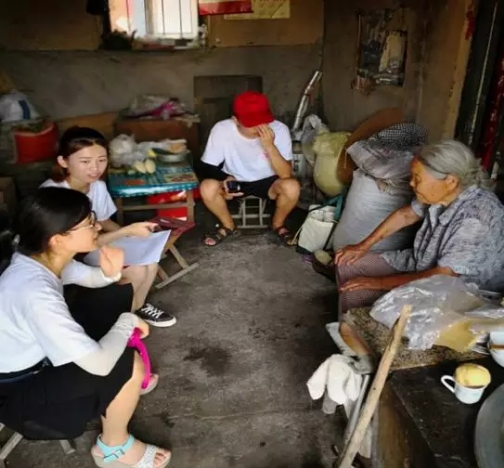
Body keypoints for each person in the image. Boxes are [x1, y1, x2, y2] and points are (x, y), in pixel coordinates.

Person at [0, 187, 171, 468]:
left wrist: (111, 273)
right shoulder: (35, 293)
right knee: (126, 364)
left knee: (113, 295)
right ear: (57, 239)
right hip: (19, 389)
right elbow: (99, 364)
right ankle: (112, 448)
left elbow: (90, 277)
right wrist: (127, 321)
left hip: (39, 357)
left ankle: (120, 393)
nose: (97, 227)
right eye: (89, 223)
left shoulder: (38, 258)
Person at [335, 140, 504, 317]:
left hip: (458, 293)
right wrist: (362, 246)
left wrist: (377, 283)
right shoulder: (442, 194)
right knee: (346, 264)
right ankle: (348, 324)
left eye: (417, 178)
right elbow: (406, 215)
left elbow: (442, 277)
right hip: (421, 263)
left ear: (451, 181)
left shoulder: (475, 220)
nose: (411, 184)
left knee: (355, 293)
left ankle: (356, 329)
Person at [41, 126, 176, 328]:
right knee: (137, 270)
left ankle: (136, 309)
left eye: (101, 160)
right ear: (63, 161)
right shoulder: (53, 194)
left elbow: (103, 221)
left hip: (90, 243)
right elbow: (76, 245)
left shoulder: (97, 186)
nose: (95, 168)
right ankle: (123, 322)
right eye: (85, 161)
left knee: (151, 259)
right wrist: (126, 231)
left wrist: (137, 237)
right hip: (70, 255)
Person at [199, 91, 300, 247]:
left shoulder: (279, 129)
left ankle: (278, 225)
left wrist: (269, 146)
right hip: (235, 180)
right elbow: (207, 166)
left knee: (292, 186)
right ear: (235, 120)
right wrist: (225, 178)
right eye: (252, 123)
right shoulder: (222, 129)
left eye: (263, 121)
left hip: (270, 182)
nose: (259, 127)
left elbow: (286, 174)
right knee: (207, 187)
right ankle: (228, 226)